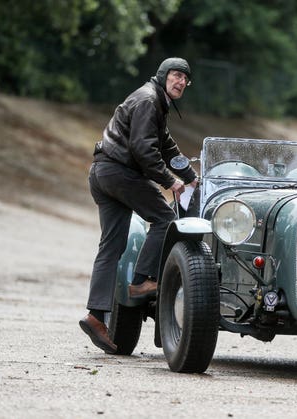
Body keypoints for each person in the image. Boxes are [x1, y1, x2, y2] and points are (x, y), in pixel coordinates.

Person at [79, 57, 198, 354]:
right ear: (162, 76)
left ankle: (95, 316)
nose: (180, 82)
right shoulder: (148, 100)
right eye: (175, 76)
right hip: (121, 173)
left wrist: (193, 177)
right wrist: (171, 182)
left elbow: (167, 146)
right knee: (165, 220)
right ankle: (142, 281)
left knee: (111, 246)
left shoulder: (154, 100)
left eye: (185, 78)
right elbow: (143, 149)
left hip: (102, 173)